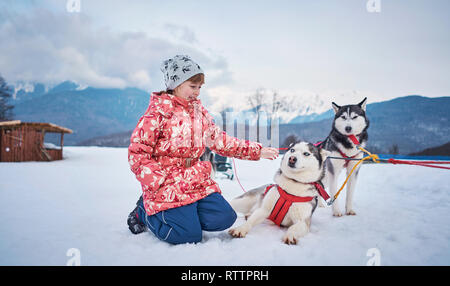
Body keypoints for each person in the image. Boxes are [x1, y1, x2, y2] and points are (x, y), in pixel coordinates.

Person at [127, 55, 279, 244]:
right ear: (176, 84)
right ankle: (145, 212)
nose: (197, 92)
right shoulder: (157, 114)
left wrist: (257, 151)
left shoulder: (198, 113)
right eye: (193, 86)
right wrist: (157, 180)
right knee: (187, 235)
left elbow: (219, 140)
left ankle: (181, 214)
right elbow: (137, 153)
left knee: (225, 218)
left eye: (200, 87)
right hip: (166, 183)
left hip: (193, 178)